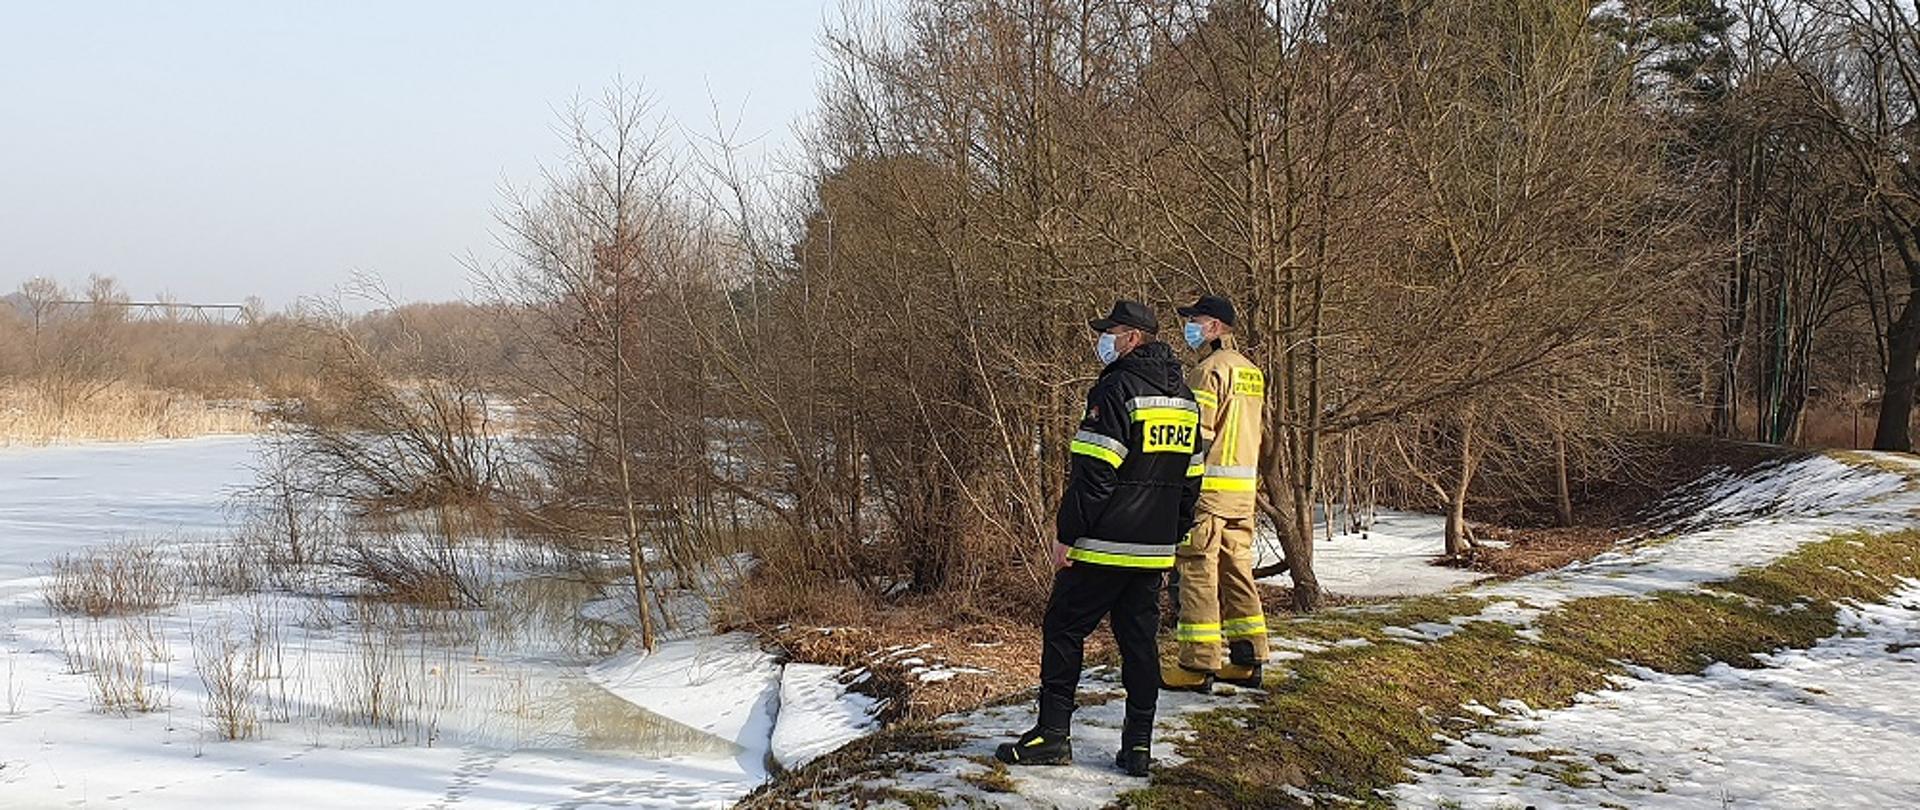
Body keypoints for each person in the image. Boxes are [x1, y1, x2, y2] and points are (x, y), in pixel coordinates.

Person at [995, 299, 1203, 778]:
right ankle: (1138, 746)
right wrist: (1170, 534)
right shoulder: (1185, 398)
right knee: (1139, 642)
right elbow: (1193, 479)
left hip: (1104, 543)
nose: (1103, 340)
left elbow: (1094, 475)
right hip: (1152, 550)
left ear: (1132, 337)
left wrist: (1067, 533)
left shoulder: (1116, 390)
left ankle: (1051, 735)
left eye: (1110, 331)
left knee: (1064, 628)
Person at [1161, 294, 1270, 692]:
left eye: (1197, 319)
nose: (1190, 326)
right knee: (1237, 570)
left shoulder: (1207, 372)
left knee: (1196, 571)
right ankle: (1248, 657)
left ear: (1216, 327)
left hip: (1208, 494)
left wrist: (1178, 489)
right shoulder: (1251, 372)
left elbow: (1197, 439)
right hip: (1243, 493)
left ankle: (1197, 664)